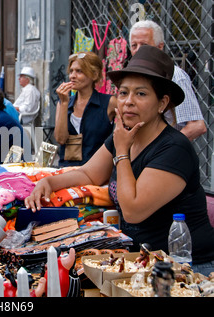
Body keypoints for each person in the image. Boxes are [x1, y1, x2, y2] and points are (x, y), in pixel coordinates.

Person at [24, 45, 214, 276]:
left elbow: (133, 210)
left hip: (186, 269)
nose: (128, 102)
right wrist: (49, 183)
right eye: (123, 93)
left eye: (141, 94)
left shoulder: (173, 148)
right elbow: (89, 173)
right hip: (141, 261)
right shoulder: (124, 135)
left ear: (162, 103)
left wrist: (122, 152)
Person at [129, 20, 206, 141]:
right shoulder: (131, 77)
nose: (138, 50)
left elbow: (196, 126)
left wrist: (164, 148)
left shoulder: (176, 76)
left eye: (144, 45)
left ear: (160, 46)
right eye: (134, 45)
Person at [55, 51, 117, 167]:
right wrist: (64, 104)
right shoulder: (64, 103)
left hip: (97, 171)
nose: (72, 76)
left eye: (79, 71)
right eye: (71, 71)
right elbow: (61, 139)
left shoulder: (109, 103)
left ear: (94, 75)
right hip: (67, 170)